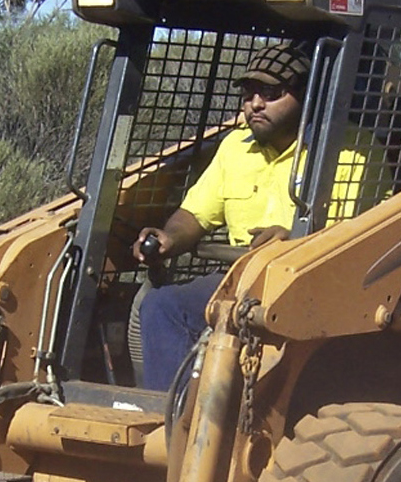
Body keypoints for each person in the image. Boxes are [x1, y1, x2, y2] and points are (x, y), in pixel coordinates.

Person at [131, 39, 369, 392]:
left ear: (309, 96)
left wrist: (292, 241)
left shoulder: (350, 151)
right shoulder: (235, 148)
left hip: (314, 287)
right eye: (249, 93)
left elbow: (354, 237)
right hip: (242, 281)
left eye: (271, 93)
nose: (255, 104)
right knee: (163, 306)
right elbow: (195, 213)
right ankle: (174, 415)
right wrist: (170, 237)